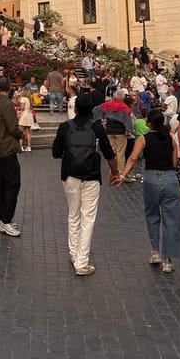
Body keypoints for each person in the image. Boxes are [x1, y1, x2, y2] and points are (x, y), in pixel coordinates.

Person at [52, 93, 117, 276]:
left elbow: (56, 153)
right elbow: (109, 153)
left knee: (73, 215)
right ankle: (82, 262)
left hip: (70, 176)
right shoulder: (96, 128)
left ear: (75, 108)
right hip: (91, 176)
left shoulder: (65, 127)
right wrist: (115, 173)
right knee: (88, 218)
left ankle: (74, 253)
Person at [116, 109, 180, 272]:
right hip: (170, 178)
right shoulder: (170, 139)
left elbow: (133, 158)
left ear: (148, 123)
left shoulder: (143, 139)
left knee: (152, 215)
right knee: (171, 218)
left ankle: (155, 252)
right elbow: (175, 162)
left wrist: (123, 176)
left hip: (151, 178)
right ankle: (168, 259)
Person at [0, 76, 23, 237]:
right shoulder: (7, 104)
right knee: (13, 183)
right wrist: (20, 133)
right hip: (7, 147)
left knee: (1, 182)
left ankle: (0, 217)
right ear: (9, 88)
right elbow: (13, 127)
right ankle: (6, 220)